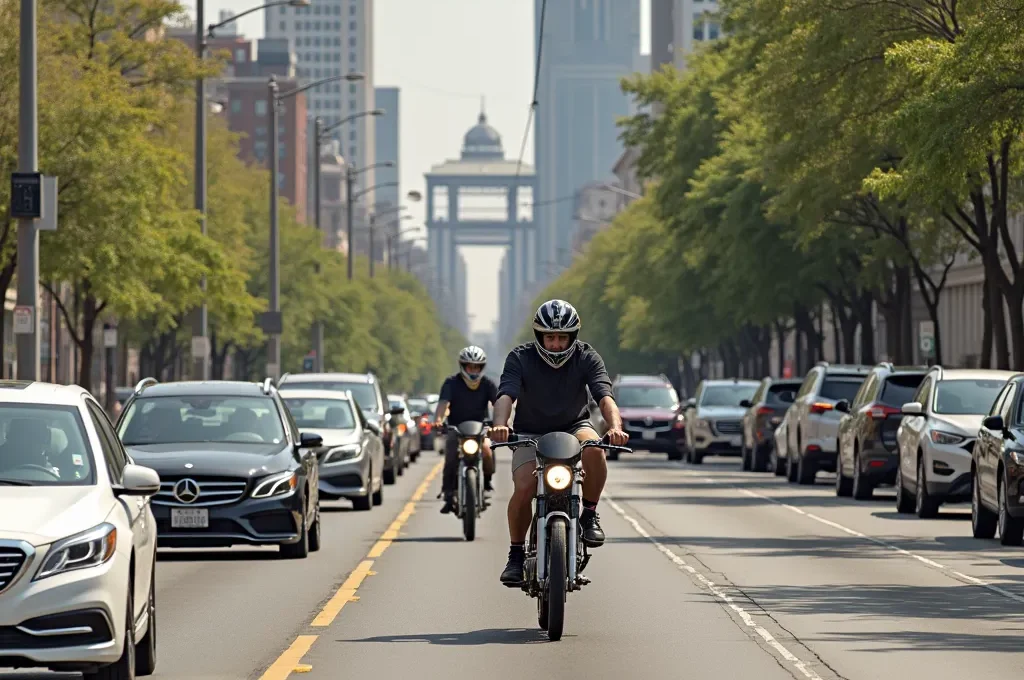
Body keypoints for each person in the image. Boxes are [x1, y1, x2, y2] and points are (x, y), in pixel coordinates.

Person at [490, 299, 628, 585]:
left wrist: (615, 427)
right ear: (539, 336)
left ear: (572, 337)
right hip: (529, 433)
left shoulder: (587, 356)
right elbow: (506, 395)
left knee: (594, 448)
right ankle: (515, 555)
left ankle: (588, 514)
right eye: (549, 337)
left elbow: (605, 396)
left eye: (562, 337)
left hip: (574, 428)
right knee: (525, 486)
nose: (555, 344)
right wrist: (501, 425)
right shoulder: (520, 358)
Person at [434, 345, 498, 514]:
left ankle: (487, 483)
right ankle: (448, 494)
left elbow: (498, 405)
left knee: (487, 450)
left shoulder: (488, 384)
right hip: (456, 429)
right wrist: (439, 421)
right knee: (450, 458)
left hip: (480, 430)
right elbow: (443, 405)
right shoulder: (451, 383)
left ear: (482, 367)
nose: (473, 370)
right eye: (470, 366)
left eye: (477, 367)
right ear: (462, 366)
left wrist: (500, 424)